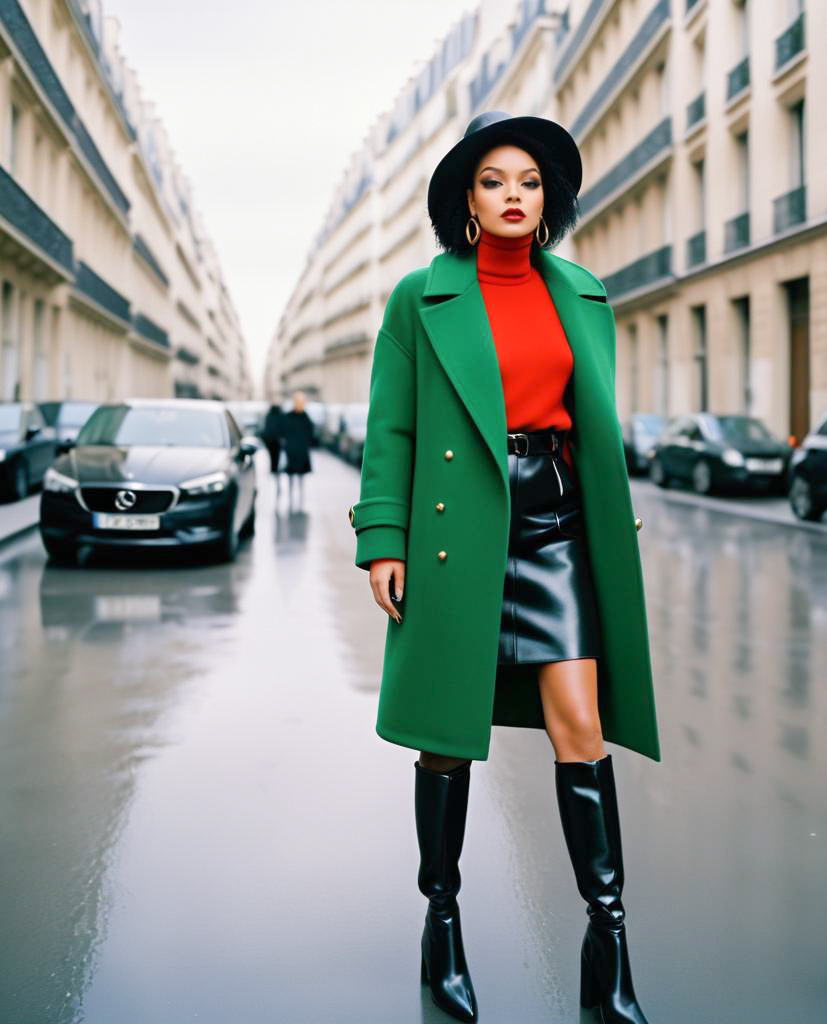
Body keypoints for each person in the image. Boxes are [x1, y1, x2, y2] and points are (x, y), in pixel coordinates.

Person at [348, 111, 660, 1023]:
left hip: (556, 522)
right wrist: (383, 539)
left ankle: (609, 963)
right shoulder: (422, 297)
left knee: (580, 722)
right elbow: (390, 425)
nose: (514, 194)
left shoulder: (582, 292)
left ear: (547, 200)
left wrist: (606, 504)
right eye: (495, 181)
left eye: (529, 180)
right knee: (446, 734)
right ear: (469, 202)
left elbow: (594, 420)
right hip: (458, 529)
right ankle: (440, 931)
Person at [280, 391, 313, 510]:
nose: (300, 404)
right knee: (291, 475)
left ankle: (300, 497)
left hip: (302, 451)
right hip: (291, 451)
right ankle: (290, 496)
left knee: (300, 476)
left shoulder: (306, 417)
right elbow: (283, 431)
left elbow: (310, 433)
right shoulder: (288, 416)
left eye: (302, 402)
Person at [262, 403, 284, 478]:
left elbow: (266, 428)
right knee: (276, 455)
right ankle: (275, 467)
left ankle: (273, 467)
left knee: (271, 454)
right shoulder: (280, 416)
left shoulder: (269, 416)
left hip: (269, 439)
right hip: (276, 440)